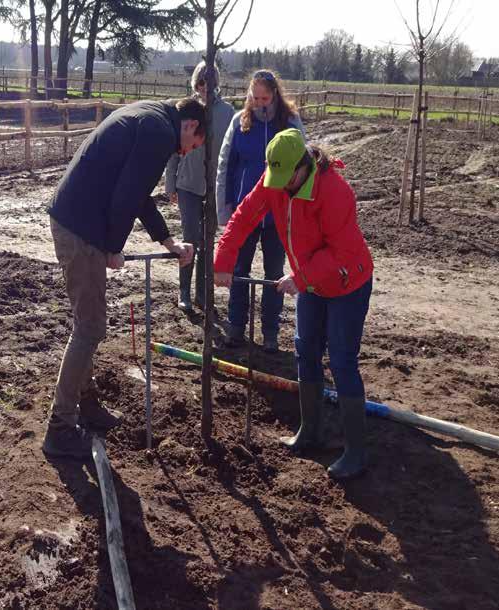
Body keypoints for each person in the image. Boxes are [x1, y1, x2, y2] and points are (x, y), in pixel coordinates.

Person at [43, 98, 203, 459]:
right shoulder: (161, 132)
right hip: (79, 226)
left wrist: (167, 240)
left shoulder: (151, 117)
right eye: (193, 146)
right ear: (191, 126)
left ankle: (87, 404)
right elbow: (127, 195)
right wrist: (113, 246)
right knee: (90, 327)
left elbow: (138, 194)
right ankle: (60, 428)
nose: (187, 152)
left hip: (76, 218)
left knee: (88, 324)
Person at [214, 128, 374, 480]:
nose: (283, 186)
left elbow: (342, 253)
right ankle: (310, 432)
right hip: (312, 283)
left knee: (343, 360)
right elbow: (243, 217)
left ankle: (357, 451)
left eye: (289, 179)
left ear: (304, 166)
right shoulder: (275, 180)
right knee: (305, 350)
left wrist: (300, 279)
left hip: (348, 282)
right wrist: (223, 261)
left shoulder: (334, 192)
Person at [216, 69, 305, 353]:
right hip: (246, 209)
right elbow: (225, 166)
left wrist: (296, 212)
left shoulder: (289, 122)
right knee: (239, 270)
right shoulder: (239, 122)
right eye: (254, 97)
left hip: (278, 215)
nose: (259, 102)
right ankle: (236, 326)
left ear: (275, 94)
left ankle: (270, 331)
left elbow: (303, 165)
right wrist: (225, 208)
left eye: (264, 97)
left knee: (274, 273)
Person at [165, 61, 234, 311]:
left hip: (214, 186)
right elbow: (173, 149)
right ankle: (184, 291)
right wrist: (170, 182)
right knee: (190, 238)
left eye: (210, 82)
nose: (205, 88)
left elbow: (230, 152)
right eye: (200, 83)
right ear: (195, 84)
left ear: (216, 83)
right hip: (187, 184)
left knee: (208, 240)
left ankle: (203, 294)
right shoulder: (186, 109)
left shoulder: (227, 113)